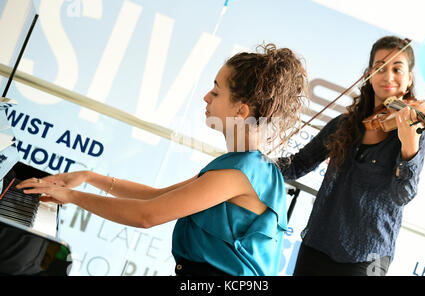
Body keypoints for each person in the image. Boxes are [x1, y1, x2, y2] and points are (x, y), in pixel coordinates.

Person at [17, 43, 308, 276]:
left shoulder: (239, 173)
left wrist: (71, 196)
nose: (206, 96)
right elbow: (158, 196)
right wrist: (88, 177)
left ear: (241, 111)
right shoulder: (245, 167)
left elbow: (148, 216)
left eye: (216, 91)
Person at [277, 36, 425, 276]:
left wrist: (409, 144)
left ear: (409, 77)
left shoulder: (414, 130)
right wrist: (257, 158)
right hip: (319, 241)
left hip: (371, 256)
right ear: (369, 74)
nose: (388, 76)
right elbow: (298, 165)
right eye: (380, 67)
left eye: (397, 69)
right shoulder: (345, 124)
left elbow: (403, 194)